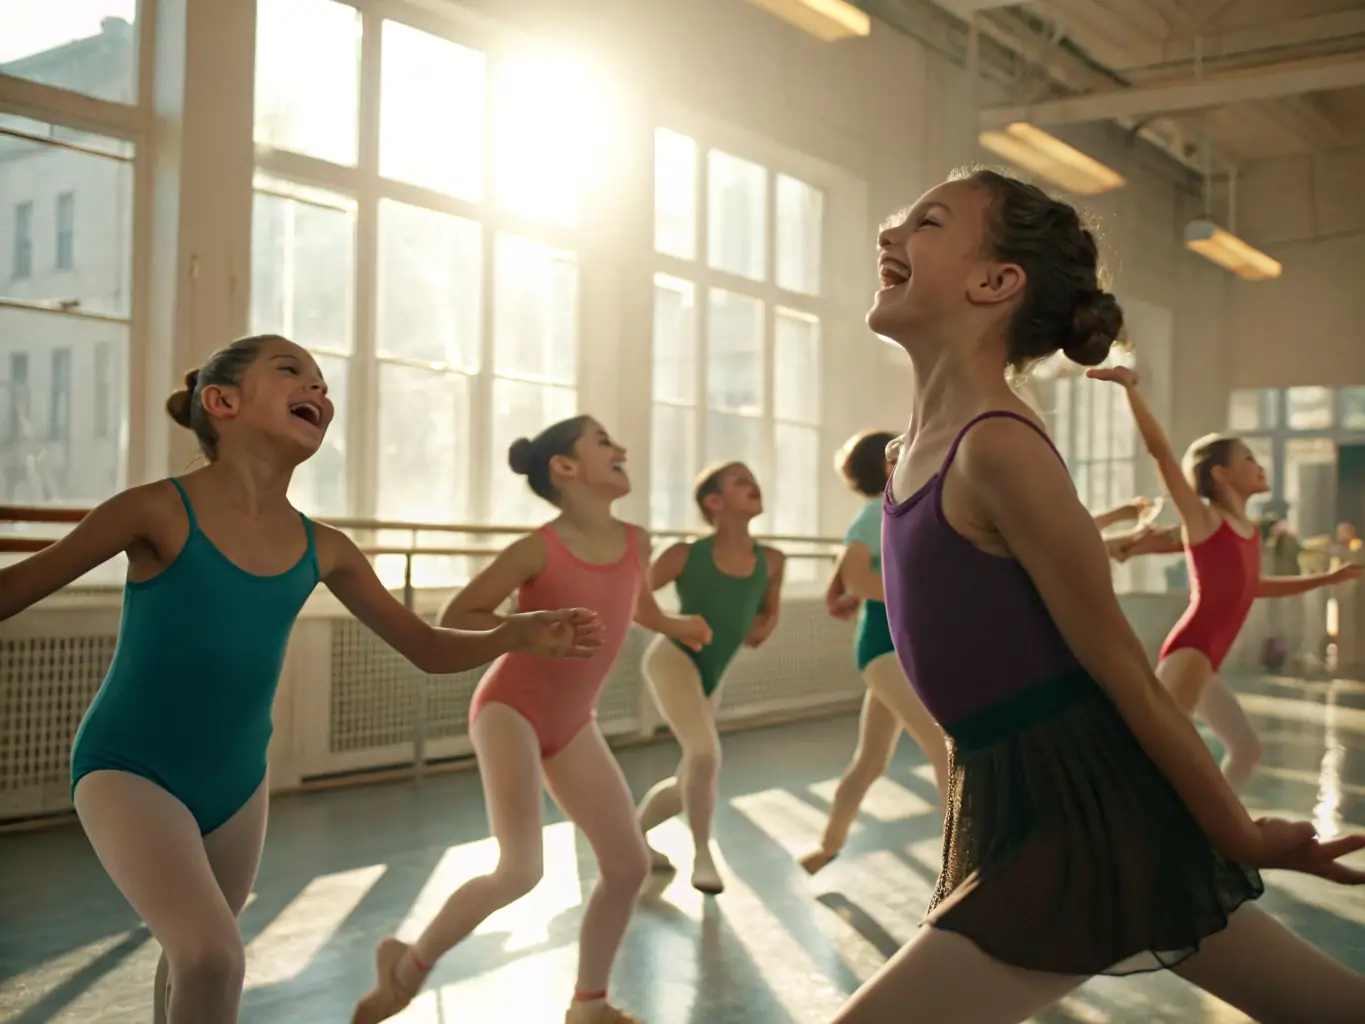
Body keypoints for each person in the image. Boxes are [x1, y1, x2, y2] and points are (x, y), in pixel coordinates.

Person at [828, 169, 1365, 1024]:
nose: (888, 236)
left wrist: (1235, 832)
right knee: (1318, 1003)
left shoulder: (997, 447)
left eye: (924, 222)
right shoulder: (905, 455)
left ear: (995, 282)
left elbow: (1116, 659)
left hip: (1070, 798)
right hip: (1019, 788)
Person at [0, 335, 600, 1024]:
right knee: (213, 957)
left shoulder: (324, 547)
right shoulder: (154, 510)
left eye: (322, 383)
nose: (317, 391)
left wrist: (513, 635)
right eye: (292, 373)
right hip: (128, 770)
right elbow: (18, 586)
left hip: (237, 785)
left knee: (192, 961)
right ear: (221, 402)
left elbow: (424, 647)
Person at [352, 415, 711, 1024]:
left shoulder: (637, 541)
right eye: (603, 441)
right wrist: (519, 633)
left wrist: (674, 625)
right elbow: (459, 611)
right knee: (520, 869)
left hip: (573, 722)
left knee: (626, 865)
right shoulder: (534, 549)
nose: (621, 447)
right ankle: (407, 968)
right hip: (509, 710)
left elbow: (635, 599)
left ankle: (587, 1005)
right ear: (565, 469)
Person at [1089, 368, 1361, 790]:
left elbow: (1253, 588)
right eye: (1248, 457)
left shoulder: (1248, 530)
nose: (1258, 464)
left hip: (1208, 658)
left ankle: (1212, 839)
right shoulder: (1203, 519)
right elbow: (1161, 453)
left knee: (1246, 750)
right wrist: (1129, 389)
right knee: (1156, 762)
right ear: (1219, 473)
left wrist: (1330, 578)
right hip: (1191, 650)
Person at [799, 430, 948, 875]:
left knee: (870, 761)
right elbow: (859, 579)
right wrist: (917, 596)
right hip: (885, 653)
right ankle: (959, 866)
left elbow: (857, 573)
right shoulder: (874, 512)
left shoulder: (894, 512)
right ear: (887, 467)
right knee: (945, 747)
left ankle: (826, 846)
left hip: (896, 652)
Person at [635, 461, 784, 894]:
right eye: (741, 482)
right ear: (714, 503)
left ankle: (632, 834)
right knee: (704, 755)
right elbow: (632, 598)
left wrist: (762, 625)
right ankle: (703, 852)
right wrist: (675, 624)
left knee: (692, 776)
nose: (753, 484)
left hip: (712, 673)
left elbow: (761, 624)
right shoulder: (684, 554)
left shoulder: (772, 560)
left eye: (754, 478)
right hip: (672, 659)